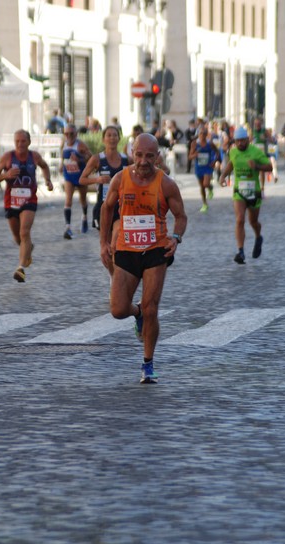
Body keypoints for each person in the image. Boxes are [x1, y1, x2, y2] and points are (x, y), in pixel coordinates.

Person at [100, 133, 187, 384]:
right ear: (132, 154)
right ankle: (136, 312)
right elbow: (107, 208)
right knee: (117, 310)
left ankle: (147, 364)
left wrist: (176, 237)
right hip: (126, 250)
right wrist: (104, 243)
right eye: (139, 155)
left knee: (152, 308)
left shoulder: (166, 184)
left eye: (150, 156)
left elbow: (181, 216)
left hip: (156, 251)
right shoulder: (121, 179)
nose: (144, 161)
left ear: (157, 157)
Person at [0, 129, 53, 282]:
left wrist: (48, 181)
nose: (20, 144)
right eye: (17, 141)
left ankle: (20, 269)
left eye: (23, 141)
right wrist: (6, 175)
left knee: (25, 232)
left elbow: (45, 166)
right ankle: (28, 250)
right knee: (18, 238)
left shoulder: (34, 156)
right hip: (11, 201)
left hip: (29, 200)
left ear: (29, 142)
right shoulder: (7, 157)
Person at [79, 125, 130, 279]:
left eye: (115, 135)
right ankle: (113, 278)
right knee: (106, 248)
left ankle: (116, 283)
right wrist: (97, 179)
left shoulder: (127, 159)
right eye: (109, 135)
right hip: (103, 208)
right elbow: (82, 179)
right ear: (103, 139)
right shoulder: (97, 159)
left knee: (115, 244)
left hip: (121, 208)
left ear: (119, 138)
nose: (112, 138)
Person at [219, 126, 272, 265]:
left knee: (253, 222)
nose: (240, 143)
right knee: (240, 220)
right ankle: (240, 251)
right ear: (235, 141)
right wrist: (223, 175)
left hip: (254, 192)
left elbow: (270, 167)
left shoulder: (256, 152)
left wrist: (257, 167)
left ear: (248, 139)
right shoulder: (233, 151)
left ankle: (258, 237)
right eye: (238, 141)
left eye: (243, 140)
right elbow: (231, 163)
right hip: (239, 192)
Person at [60, 124, 92, 239]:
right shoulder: (63, 144)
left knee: (82, 199)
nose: (69, 136)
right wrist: (61, 165)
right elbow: (62, 156)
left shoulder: (80, 145)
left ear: (76, 134)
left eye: (71, 133)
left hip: (80, 176)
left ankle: (84, 217)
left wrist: (80, 159)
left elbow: (91, 157)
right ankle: (68, 227)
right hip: (68, 175)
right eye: (66, 134)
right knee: (68, 200)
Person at [189, 125, 218, 212]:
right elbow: (190, 157)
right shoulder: (194, 144)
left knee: (205, 184)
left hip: (208, 167)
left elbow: (217, 153)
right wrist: (195, 154)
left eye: (204, 133)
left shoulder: (210, 144)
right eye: (201, 133)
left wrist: (214, 161)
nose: (202, 135)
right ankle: (205, 204)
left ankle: (210, 187)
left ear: (206, 134)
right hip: (199, 167)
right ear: (198, 134)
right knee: (202, 187)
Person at [251, 117, 268, 197]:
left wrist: (265, 138)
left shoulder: (264, 131)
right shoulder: (252, 132)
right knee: (254, 172)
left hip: (262, 155)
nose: (257, 125)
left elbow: (271, 139)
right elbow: (249, 141)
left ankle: (262, 189)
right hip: (254, 154)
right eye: (255, 124)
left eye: (258, 124)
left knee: (262, 172)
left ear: (261, 124)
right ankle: (255, 189)